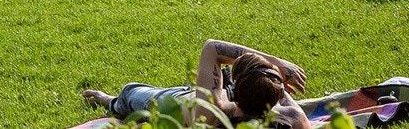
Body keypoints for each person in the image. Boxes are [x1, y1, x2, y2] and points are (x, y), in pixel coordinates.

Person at [83, 38, 310, 129]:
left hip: (170, 104)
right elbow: (272, 87)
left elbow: (212, 47)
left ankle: (110, 102)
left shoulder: (214, 112)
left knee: (128, 92)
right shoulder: (293, 118)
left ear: (235, 93)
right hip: (206, 92)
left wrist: (276, 63)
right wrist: (270, 74)